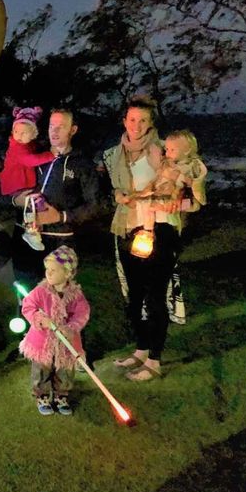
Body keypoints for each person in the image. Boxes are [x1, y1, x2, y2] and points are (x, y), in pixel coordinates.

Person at [104, 95, 180, 381]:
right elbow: (115, 187)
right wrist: (119, 195)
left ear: (151, 124)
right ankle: (141, 349)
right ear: (124, 121)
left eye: (143, 120)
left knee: (155, 295)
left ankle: (155, 360)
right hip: (127, 227)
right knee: (134, 295)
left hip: (158, 229)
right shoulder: (114, 154)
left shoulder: (163, 151)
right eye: (132, 119)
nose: (136, 125)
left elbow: (179, 181)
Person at [11, 109, 101, 286]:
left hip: (60, 239)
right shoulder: (34, 156)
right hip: (25, 235)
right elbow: (12, 184)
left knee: (58, 295)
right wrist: (17, 199)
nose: (55, 131)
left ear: (72, 130)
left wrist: (61, 216)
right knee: (25, 292)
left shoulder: (81, 164)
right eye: (52, 125)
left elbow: (95, 204)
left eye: (61, 127)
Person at [19, 246, 90, 416]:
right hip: (42, 341)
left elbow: (82, 314)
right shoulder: (40, 291)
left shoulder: (75, 295)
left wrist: (71, 328)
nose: (48, 273)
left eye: (54, 270)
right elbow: (28, 307)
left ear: (67, 273)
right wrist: (39, 318)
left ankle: (61, 395)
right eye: (47, 269)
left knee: (64, 370)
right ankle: (42, 395)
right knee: (42, 369)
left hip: (66, 342)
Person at [0, 106, 55, 250]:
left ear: (33, 134)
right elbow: (30, 160)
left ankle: (34, 231)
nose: (19, 135)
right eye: (16, 131)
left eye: (24, 133)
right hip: (16, 184)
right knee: (34, 205)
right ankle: (31, 232)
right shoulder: (17, 147)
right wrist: (50, 155)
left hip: (21, 183)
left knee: (36, 204)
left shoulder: (28, 145)